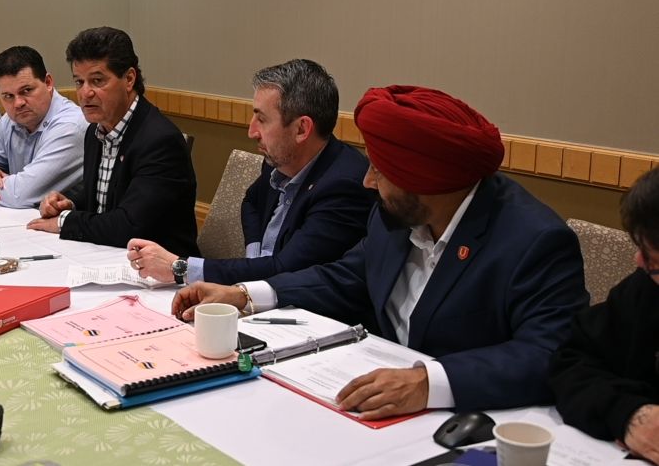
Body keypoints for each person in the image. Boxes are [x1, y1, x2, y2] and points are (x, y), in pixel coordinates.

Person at [172, 85, 588, 419]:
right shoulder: (396, 214)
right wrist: (244, 294)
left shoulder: (534, 241)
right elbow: (346, 276)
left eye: (380, 169)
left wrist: (430, 382)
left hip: (468, 422)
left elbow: (547, 353)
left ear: (425, 177)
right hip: (370, 406)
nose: (368, 181)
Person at [126, 59, 373, 286]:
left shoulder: (343, 187)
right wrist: (256, 254)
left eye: (262, 120)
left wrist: (179, 268)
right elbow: (251, 201)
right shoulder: (280, 160)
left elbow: (284, 270)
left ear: (301, 129)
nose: (252, 132)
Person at [28, 27, 198, 257]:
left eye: (97, 81)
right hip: (106, 256)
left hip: (161, 275)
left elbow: (129, 224)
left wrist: (65, 222)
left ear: (129, 79)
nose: (85, 93)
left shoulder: (160, 141)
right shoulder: (95, 132)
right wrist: (69, 203)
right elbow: (104, 198)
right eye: (79, 82)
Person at [549, 167, 659, 464]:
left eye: (651, 258)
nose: (639, 261)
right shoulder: (645, 287)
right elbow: (573, 362)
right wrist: (630, 414)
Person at [0, 46, 86, 208]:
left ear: (48, 83)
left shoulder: (70, 126)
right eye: (8, 96)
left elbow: (20, 194)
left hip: (69, 228)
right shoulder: (11, 120)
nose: (18, 103)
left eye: (26, 90)